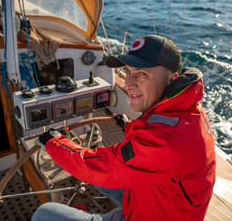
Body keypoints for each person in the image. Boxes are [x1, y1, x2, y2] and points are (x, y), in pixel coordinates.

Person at [32, 34, 216, 221]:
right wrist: (128, 126)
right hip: (162, 200)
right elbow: (158, 142)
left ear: (172, 78)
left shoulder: (165, 141)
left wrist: (54, 143)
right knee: (98, 172)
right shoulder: (188, 108)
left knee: (44, 213)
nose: (128, 84)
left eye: (141, 73)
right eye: (127, 72)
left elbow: (101, 166)